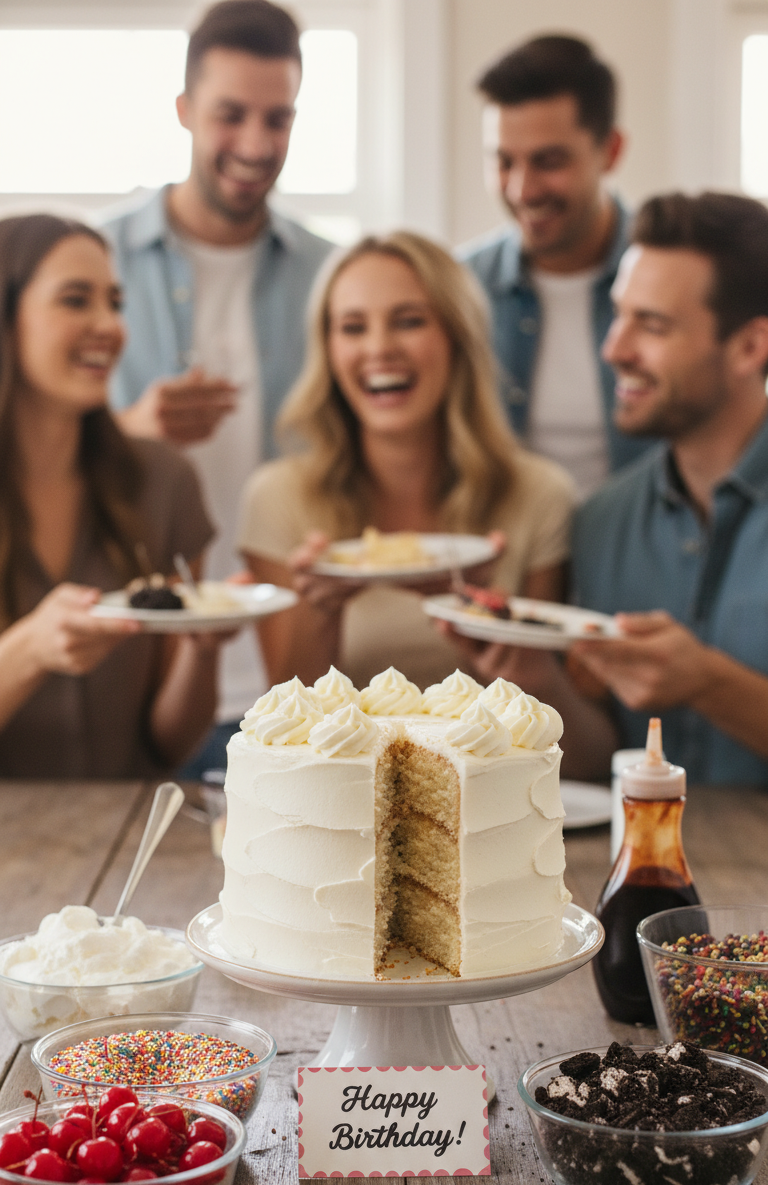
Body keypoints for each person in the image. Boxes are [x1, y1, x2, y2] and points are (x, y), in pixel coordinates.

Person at [102, 0, 332, 769]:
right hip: (144, 668)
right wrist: (127, 431)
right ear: (184, 110)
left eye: (279, 118)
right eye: (231, 115)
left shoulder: (328, 275)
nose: (256, 144)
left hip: (291, 674)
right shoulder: (99, 264)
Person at [236, 231, 577, 693]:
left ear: (458, 337)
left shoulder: (540, 495)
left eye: (409, 321)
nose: (379, 348)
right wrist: (321, 611)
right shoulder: (278, 497)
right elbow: (284, 714)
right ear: (328, 350)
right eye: (353, 327)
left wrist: (481, 621)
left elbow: (547, 718)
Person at [0, 214, 220, 778]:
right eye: (76, 300)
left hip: (138, 825)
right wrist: (29, 651)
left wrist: (202, 648)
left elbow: (169, 744)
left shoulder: (165, 484)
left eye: (115, 303)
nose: (110, 325)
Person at [570, 192, 768, 785]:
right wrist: (530, 674)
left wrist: (709, 683)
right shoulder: (600, 522)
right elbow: (594, 760)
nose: (614, 349)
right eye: (619, 314)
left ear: (750, 347)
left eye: (652, 325)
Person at [459, 34, 653, 500]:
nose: (523, 190)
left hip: (641, 544)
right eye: (504, 162)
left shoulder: (670, 285)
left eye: (548, 161)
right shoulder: (461, 287)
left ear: (611, 150)